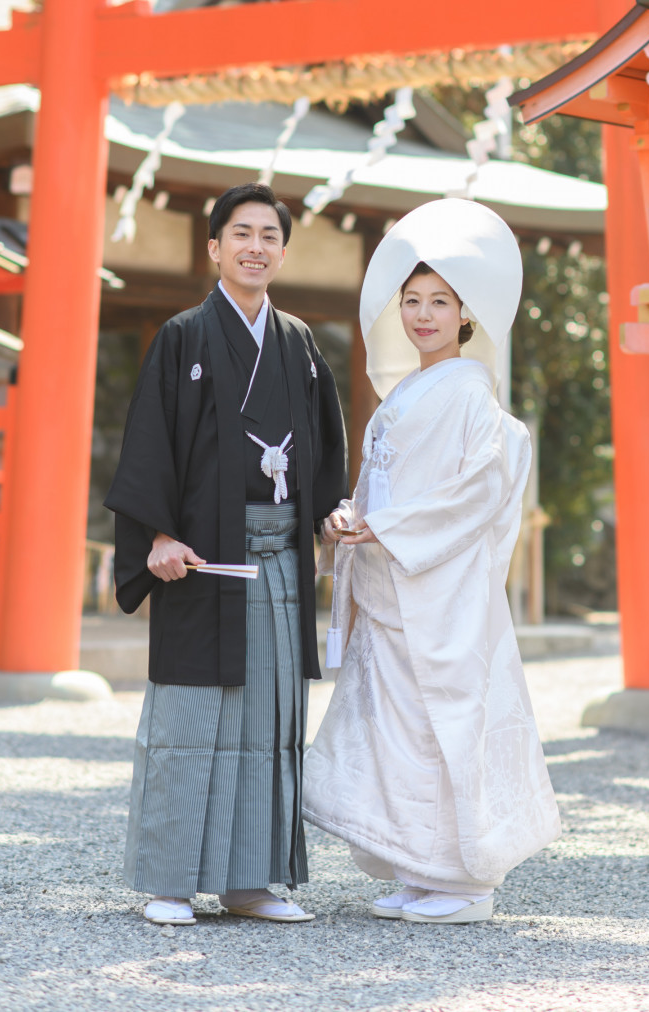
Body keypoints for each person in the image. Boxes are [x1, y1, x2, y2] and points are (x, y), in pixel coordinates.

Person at [303, 197, 560, 924]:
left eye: (439, 303)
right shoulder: (405, 392)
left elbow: (481, 487)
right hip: (392, 583)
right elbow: (381, 483)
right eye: (412, 301)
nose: (422, 315)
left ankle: (467, 880)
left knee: (442, 725)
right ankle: (423, 867)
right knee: (399, 731)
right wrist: (353, 518)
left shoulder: (475, 398)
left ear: (465, 315)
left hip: (438, 589)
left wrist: (387, 528)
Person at [104, 181, 347, 926]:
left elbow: (326, 453)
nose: (254, 248)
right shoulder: (183, 336)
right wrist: (157, 538)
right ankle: (170, 882)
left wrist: (331, 511)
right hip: (202, 563)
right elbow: (148, 445)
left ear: (281, 249)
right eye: (240, 234)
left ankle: (251, 883)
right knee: (189, 720)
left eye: (269, 236)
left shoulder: (300, 344)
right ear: (214, 248)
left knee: (267, 724)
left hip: (275, 565)